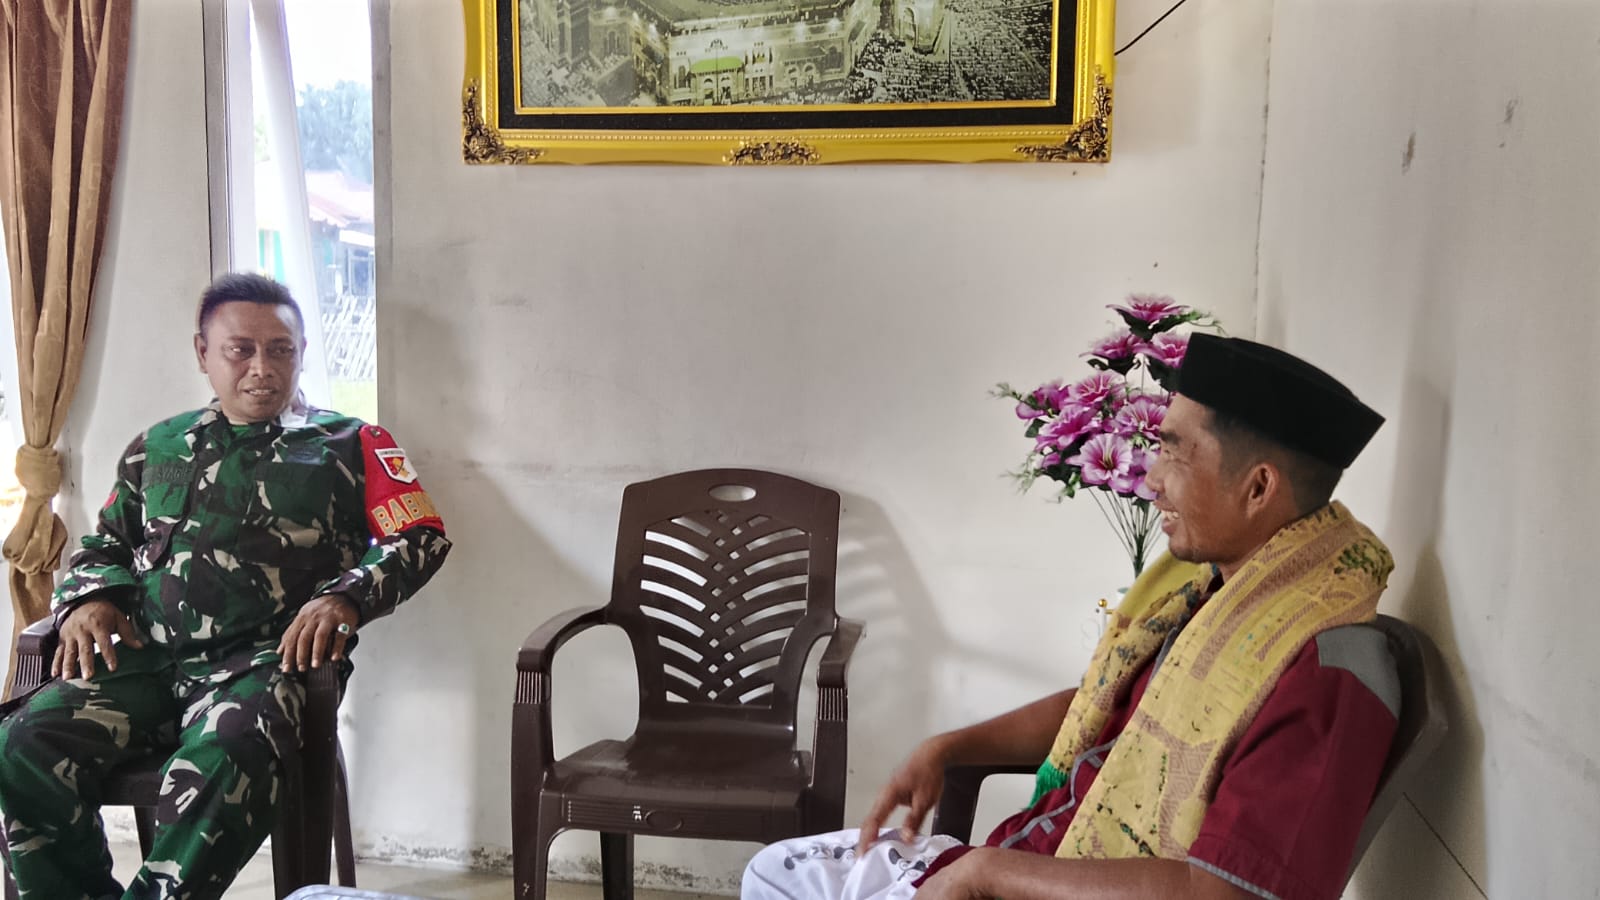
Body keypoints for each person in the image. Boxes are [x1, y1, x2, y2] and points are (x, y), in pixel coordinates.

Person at [743, 335, 1400, 900]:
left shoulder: (1322, 670)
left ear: (1257, 488)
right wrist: (947, 748)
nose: (1152, 480)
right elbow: (1102, 710)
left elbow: (1226, 892)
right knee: (775, 872)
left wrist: (987, 871)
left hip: (1020, 878)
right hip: (1035, 854)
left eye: (1175, 453)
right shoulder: (1225, 599)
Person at [0, 273, 452, 899]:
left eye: (280, 349)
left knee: (231, 752)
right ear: (203, 353)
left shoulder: (351, 444)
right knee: (22, 741)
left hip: (263, 668)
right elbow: (106, 544)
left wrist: (345, 595)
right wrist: (90, 597)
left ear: (300, 352)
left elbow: (420, 536)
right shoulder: (156, 447)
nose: (262, 368)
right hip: (145, 663)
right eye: (240, 349)